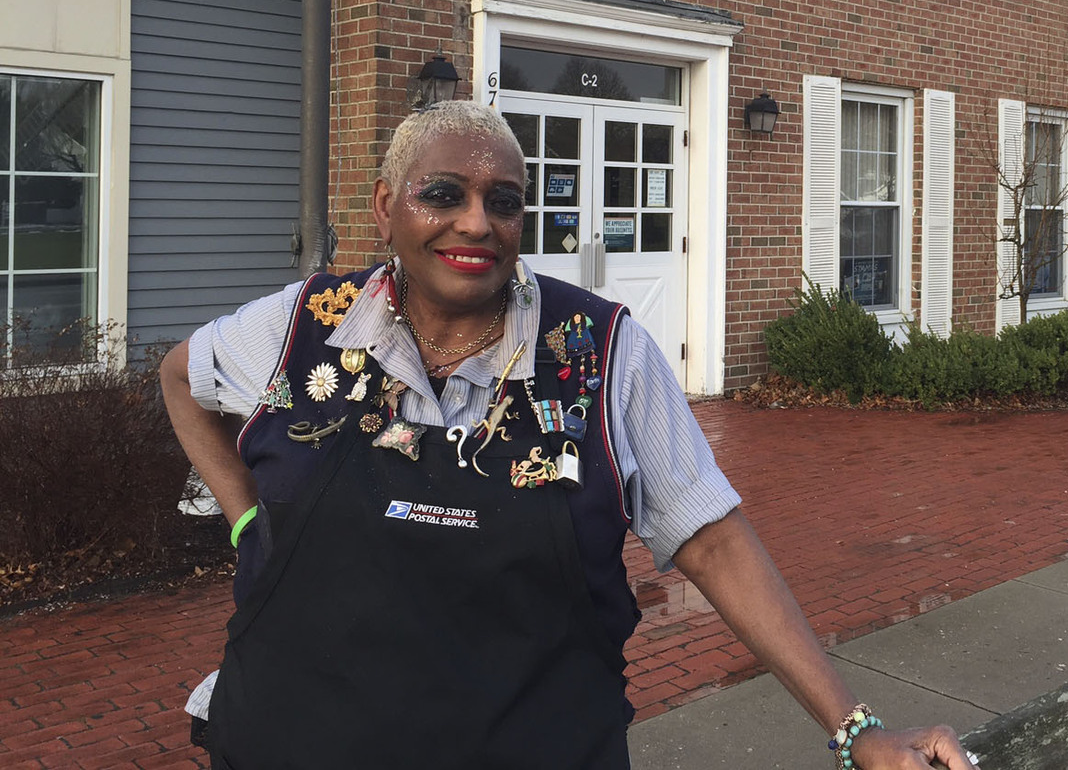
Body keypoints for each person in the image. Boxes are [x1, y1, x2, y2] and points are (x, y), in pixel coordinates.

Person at [160, 100, 974, 770]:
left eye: (504, 200)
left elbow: (714, 542)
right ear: (386, 207)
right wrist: (244, 518)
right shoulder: (301, 325)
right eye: (443, 193)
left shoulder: (605, 351)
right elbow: (179, 377)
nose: (476, 222)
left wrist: (855, 729)